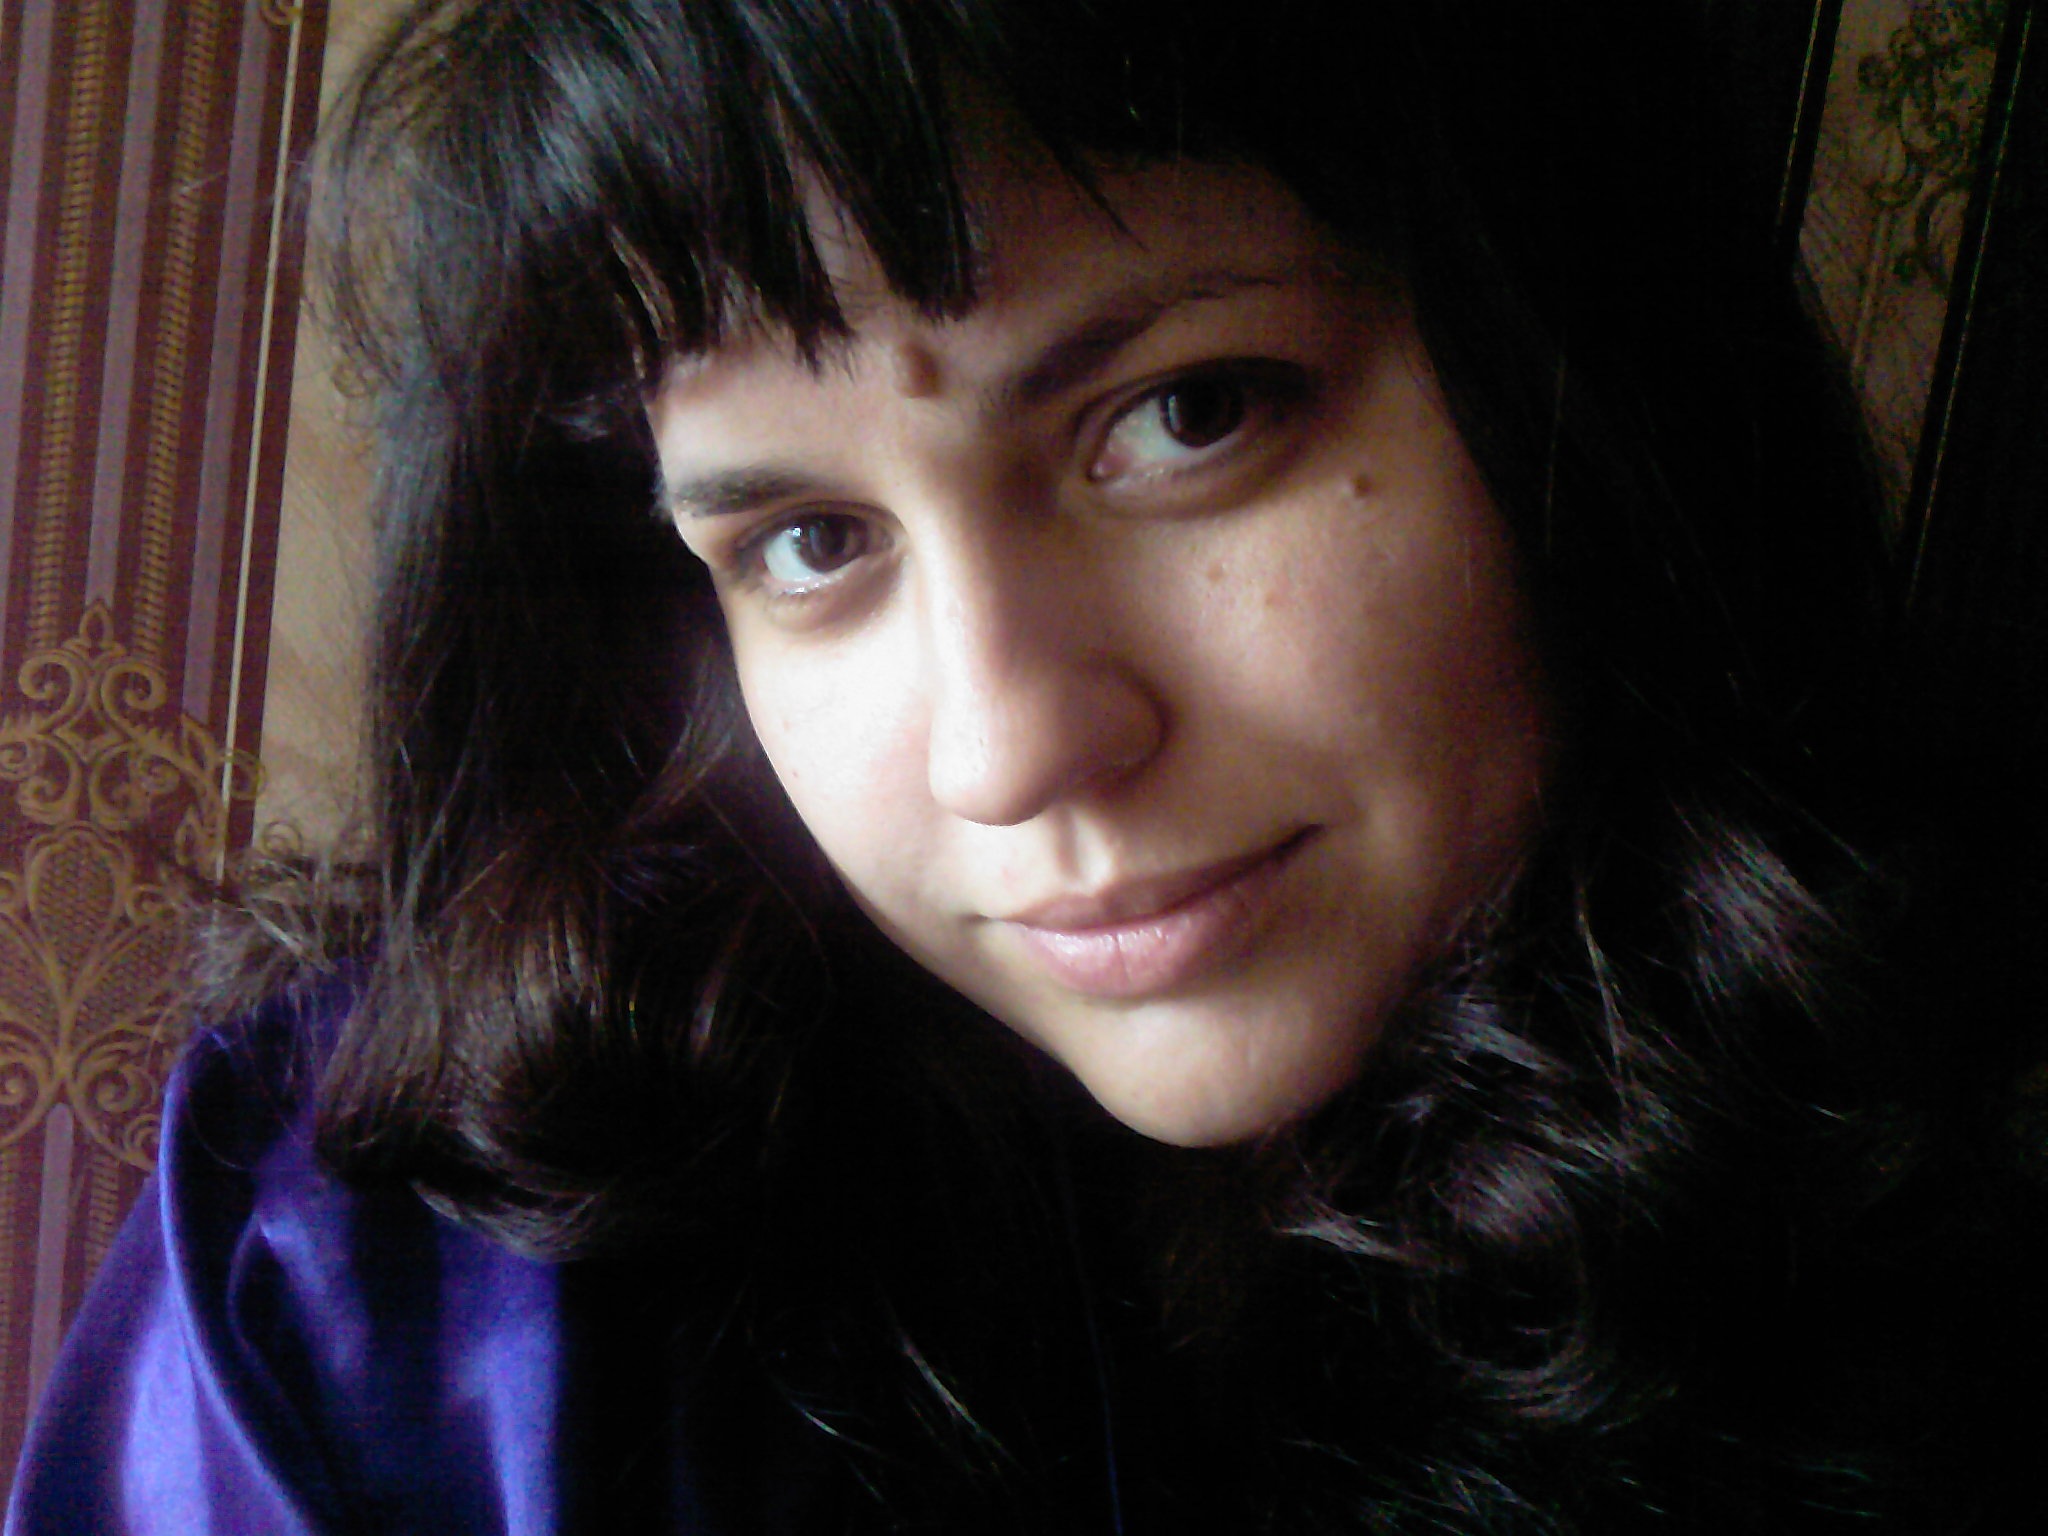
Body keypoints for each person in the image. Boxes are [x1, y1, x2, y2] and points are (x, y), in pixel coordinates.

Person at [11, 1, 2047, 1531]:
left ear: (1578, 385)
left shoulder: (1934, 1215)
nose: (1006, 750)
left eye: (1188, 415)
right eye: (810, 541)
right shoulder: (388, 1274)